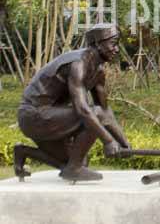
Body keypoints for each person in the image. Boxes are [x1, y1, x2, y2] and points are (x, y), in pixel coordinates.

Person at [14, 23, 130, 182]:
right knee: (92, 116)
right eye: (113, 44)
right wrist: (108, 141)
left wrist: (123, 143)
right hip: (33, 116)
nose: (116, 49)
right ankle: (74, 169)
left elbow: (105, 111)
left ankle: (23, 151)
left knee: (74, 162)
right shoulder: (79, 63)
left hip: (52, 117)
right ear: (97, 43)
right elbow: (83, 110)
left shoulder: (98, 71)